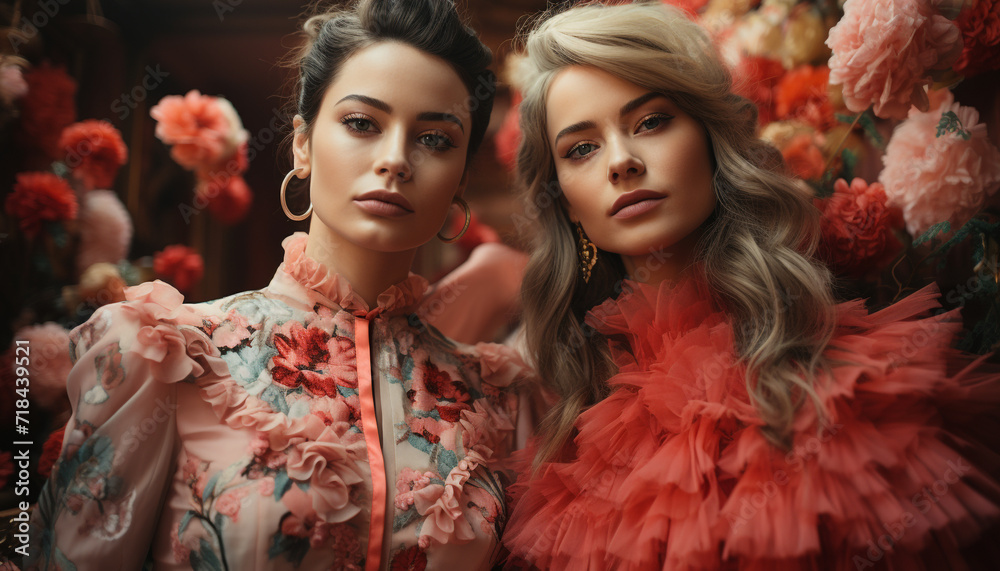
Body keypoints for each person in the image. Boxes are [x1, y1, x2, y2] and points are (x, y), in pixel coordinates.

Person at [27, 1, 533, 569]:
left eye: (436, 139)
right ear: (301, 143)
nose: (395, 160)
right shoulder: (165, 355)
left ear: (462, 179)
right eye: (362, 123)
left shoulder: (498, 397)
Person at [502, 2, 1000, 569]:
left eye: (651, 122)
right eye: (581, 149)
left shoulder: (850, 389)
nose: (621, 162)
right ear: (564, 203)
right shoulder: (568, 431)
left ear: (713, 140)